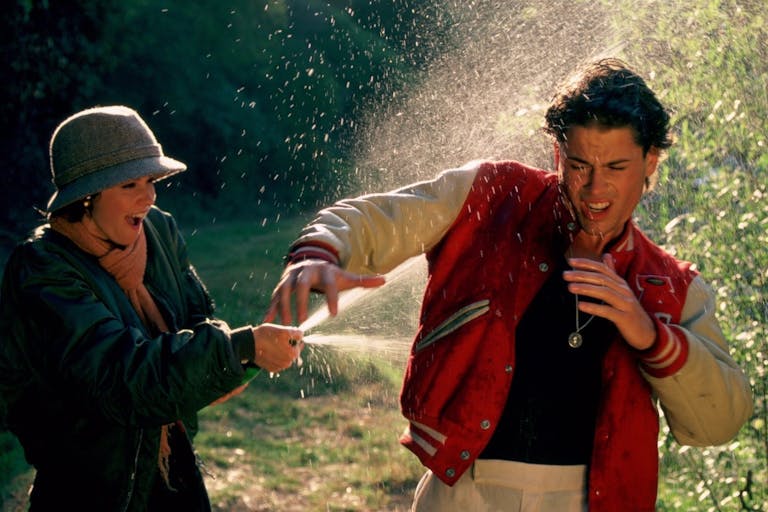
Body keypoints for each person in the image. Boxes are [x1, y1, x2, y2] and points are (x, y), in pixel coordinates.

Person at [264, 58, 753, 511]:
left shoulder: (672, 284)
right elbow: (370, 218)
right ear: (557, 154)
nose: (595, 188)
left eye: (616, 168)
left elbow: (721, 421)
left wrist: (647, 332)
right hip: (463, 493)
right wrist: (319, 253)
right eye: (580, 165)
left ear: (651, 162)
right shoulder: (490, 195)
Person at [0, 105, 304, 511]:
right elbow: (121, 380)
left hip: (172, 470)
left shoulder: (158, 230)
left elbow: (199, 320)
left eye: (151, 180)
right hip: (89, 492)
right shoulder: (42, 272)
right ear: (86, 197)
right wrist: (238, 349)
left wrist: (235, 361)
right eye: (130, 184)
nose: (149, 196)